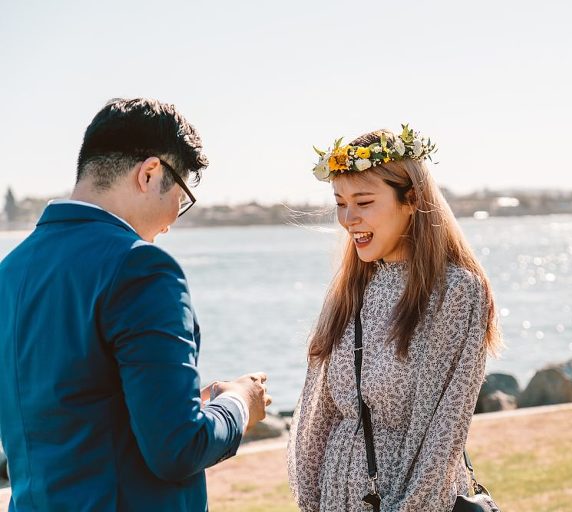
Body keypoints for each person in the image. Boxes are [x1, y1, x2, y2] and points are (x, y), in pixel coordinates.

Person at [0, 98, 271, 511]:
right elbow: (178, 448)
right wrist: (238, 402)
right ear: (150, 173)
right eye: (183, 194)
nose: (175, 217)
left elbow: (70, 407)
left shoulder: (11, 271)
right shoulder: (140, 267)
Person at [287, 126, 502, 511]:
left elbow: (442, 433)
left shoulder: (454, 292)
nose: (348, 218)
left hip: (410, 500)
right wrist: (309, 502)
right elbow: (317, 419)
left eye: (364, 201)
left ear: (412, 200)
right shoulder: (348, 291)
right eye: (339, 202)